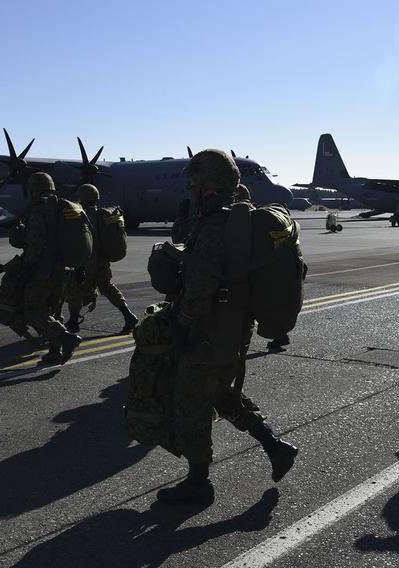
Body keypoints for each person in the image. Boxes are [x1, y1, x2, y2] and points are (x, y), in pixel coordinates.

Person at [156, 149, 297, 505]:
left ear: (207, 185)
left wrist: (185, 322)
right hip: (232, 325)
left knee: (191, 401)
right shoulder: (237, 218)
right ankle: (275, 447)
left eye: (195, 182)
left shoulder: (216, 225)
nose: (191, 188)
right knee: (219, 392)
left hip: (211, 327)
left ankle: (198, 483)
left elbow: (202, 280)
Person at [21, 172, 82, 365]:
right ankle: (55, 351)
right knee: (54, 310)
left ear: (35, 189)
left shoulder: (39, 209)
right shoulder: (66, 206)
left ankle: (65, 338)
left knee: (32, 309)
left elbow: (36, 242)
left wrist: (28, 266)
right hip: (65, 269)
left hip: (44, 269)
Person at [65, 184, 138, 335]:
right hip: (102, 261)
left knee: (76, 289)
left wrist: (79, 266)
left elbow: (83, 241)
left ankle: (72, 322)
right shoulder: (102, 215)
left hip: (88, 261)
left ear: (82, 198)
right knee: (107, 288)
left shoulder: (82, 215)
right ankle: (129, 316)